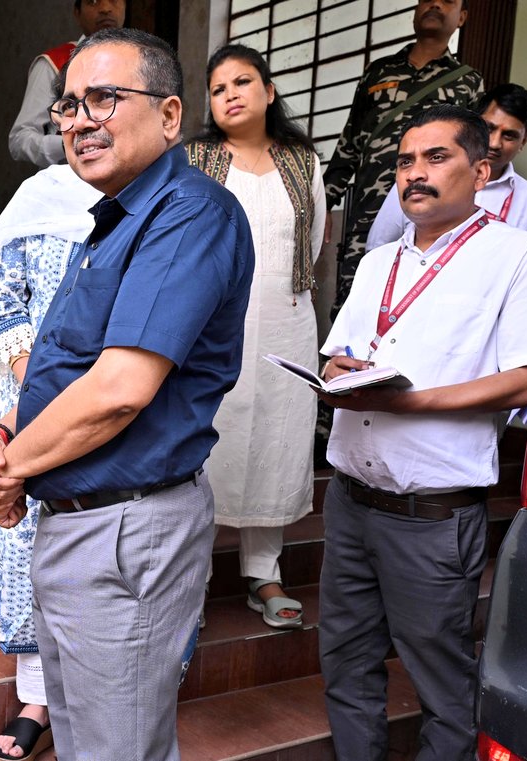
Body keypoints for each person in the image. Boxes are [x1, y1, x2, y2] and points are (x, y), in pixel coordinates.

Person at [0, 28, 254, 761]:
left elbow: (118, 391)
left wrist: (8, 469)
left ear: (169, 115)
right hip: (75, 521)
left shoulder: (190, 213)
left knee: (117, 749)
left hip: (126, 530)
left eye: (104, 98)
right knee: (82, 739)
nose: (79, 121)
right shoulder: (107, 222)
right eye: (69, 105)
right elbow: (59, 372)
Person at [317, 105, 527, 761]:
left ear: (481, 171)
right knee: (345, 662)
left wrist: (412, 401)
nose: (414, 173)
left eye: (435, 157)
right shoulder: (379, 261)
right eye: (404, 161)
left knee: (442, 680)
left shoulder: (523, 256)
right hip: (350, 500)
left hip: (430, 514)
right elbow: (337, 355)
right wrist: (338, 372)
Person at [0, 164, 101, 760]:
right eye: (70, 117)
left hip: (108, 397)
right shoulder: (37, 197)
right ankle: (38, 701)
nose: (84, 127)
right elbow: (1, 302)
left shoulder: (141, 202)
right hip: (25, 399)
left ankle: (98, 698)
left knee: (99, 540)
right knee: (25, 542)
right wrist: (36, 383)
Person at [186, 44, 324, 629]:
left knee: (276, 438)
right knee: (206, 442)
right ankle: (191, 577)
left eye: (242, 82)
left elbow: (310, 246)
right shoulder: (193, 159)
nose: (230, 96)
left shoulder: (303, 162)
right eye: (218, 89)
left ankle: (263, 572)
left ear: (269, 91)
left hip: (287, 324)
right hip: (210, 325)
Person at [324, 0, 483, 318]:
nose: (435, 4)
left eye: (448, 0)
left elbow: (472, 153)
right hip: (368, 215)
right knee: (355, 305)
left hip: (434, 219)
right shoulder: (379, 71)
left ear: (462, 17)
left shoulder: (467, 81)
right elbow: (350, 142)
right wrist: (324, 202)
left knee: (423, 308)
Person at [368, 83, 527, 247]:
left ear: (524, 140)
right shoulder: (417, 182)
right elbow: (379, 247)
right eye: (489, 128)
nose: (494, 143)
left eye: (509, 135)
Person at [8, 0, 125, 168]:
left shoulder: (139, 62)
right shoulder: (54, 63)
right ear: (77, 13)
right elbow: (20, 139)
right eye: (93, 2)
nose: (105, 8)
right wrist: (67, 144)